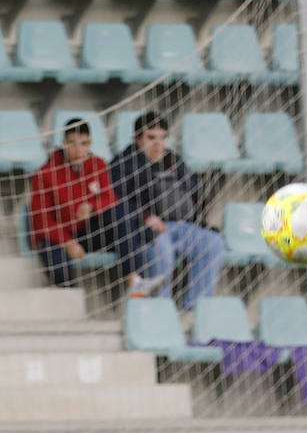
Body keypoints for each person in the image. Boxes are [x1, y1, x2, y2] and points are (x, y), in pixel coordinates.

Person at [109, 111, 224, 320]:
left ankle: (194, 311)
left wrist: (202, 215)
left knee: (213, 243)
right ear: (137, 139)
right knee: (162, 250)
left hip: (184, 226)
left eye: (162, 137)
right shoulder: (123, 164)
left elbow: (195, 190)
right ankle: (160, 314)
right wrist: (145, 217)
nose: (158, 144)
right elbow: (118, 202)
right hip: (149, 231)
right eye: (151, 138)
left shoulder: (173, 160)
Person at [28, 119, 154, 296]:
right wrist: (67, 242)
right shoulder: (44, 174)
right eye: (72, 143)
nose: (78, 149)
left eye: (84, 143)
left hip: (89, 233)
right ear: (64, 143)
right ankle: (72, 305)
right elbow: (41, 221)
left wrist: (92, 207)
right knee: (55, 259)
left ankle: (135, 280)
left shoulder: (98, 164)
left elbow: (110, 199)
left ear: (90, 143)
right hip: (60, 236)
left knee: (122, 213)